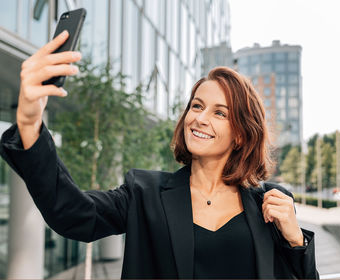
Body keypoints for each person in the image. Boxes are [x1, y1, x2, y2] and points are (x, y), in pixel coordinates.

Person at [0, 31, 318, 279]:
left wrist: (295, 240)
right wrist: (29, 123)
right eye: (197, 105)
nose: (201, 118)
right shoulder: (145, 193)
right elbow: (71, 215)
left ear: (240, 134)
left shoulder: (270, 204)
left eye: (220, 113)